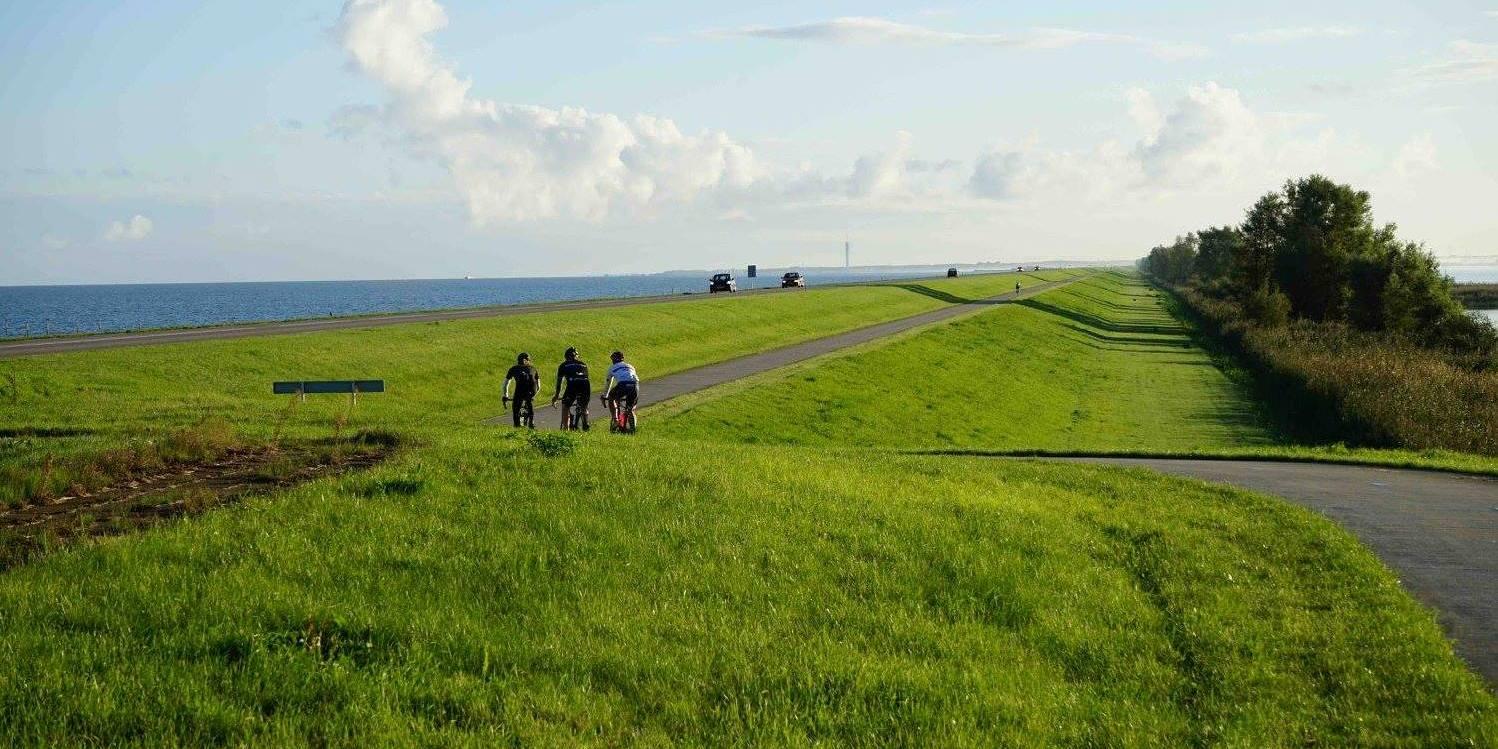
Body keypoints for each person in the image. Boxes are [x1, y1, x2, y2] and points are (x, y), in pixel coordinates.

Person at [551, 347, 590, 430]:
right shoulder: (583, 364)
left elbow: (559, 382)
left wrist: (557, 395)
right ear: (576, 356)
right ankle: (586, 422)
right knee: (584, 406)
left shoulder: (563, 365)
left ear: (566, 357)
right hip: (585, 384)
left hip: (573, 384)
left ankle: (566, 428)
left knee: (566, 406)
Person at [601, 350, 640, 431]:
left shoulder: (612, 367)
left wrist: (605, 396)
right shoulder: (630, 366)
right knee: (630, 408)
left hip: (623, 385)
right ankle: (633, 428)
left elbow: (608, 383)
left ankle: (615, 419)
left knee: (612, 398)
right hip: (635, 385)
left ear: (613, 360)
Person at [501, 352, 541, 428]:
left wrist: (506, 395)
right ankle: (531, 422)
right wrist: (533, 396)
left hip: (519, 392)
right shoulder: (533, 368)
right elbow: (538, 386)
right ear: (528, 360)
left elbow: (506, 384)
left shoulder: (513, 369)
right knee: (529, 405)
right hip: (531, 392)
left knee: (516, 410)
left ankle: (517, 425)